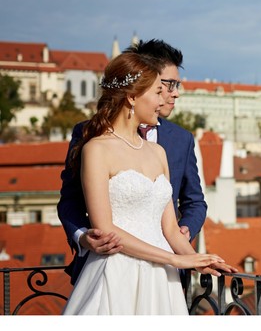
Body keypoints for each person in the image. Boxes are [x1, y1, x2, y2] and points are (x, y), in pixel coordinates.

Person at [61, 52, 226, 314]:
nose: (164, 100)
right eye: (158, 92)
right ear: (132, 97)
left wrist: (195, 260)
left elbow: (171, 228)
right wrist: (175, 258)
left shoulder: (158, 152)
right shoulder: (96, 148)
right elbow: (104, 228)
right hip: (119, 270)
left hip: (163, 277)